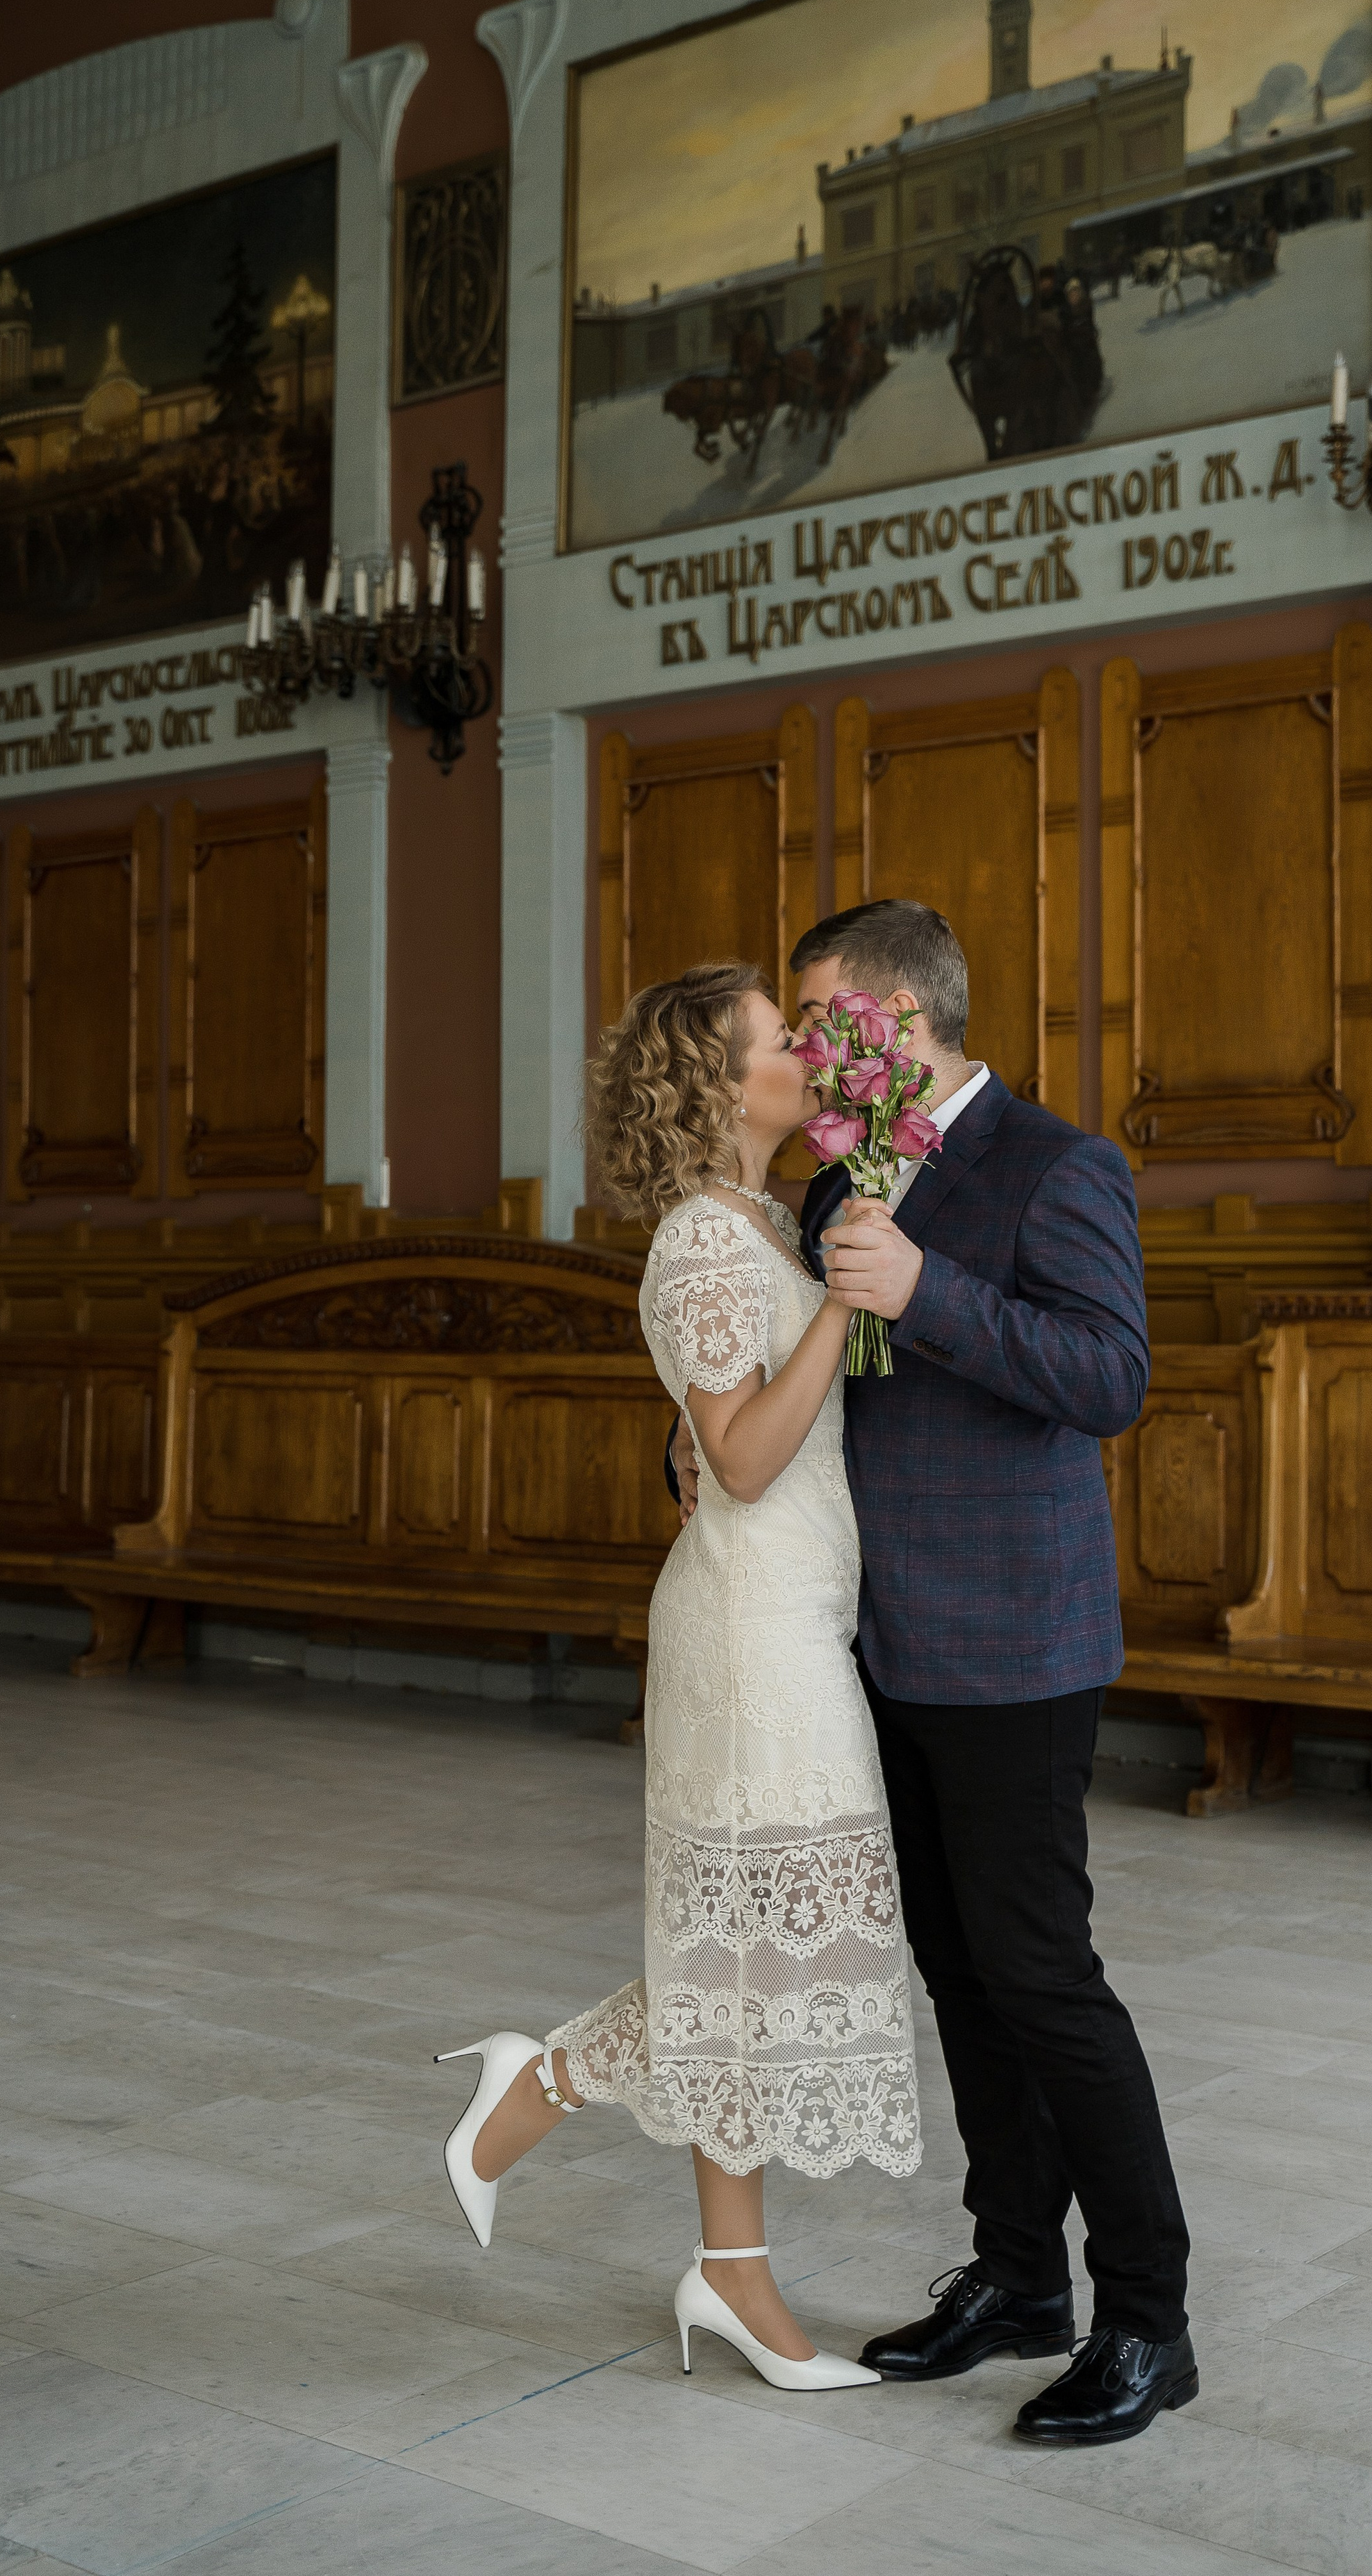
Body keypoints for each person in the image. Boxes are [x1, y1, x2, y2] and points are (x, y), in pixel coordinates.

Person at [672, 900, 1193, 2448]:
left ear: (895, 1020)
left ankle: (1149, 2321)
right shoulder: (836, 1173)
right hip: (873, 1641)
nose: (810, 1054)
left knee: (1041, 1973)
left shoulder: (1054, 1162)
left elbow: (1110, 1380)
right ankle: (1019, 2279)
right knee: (956, 1976)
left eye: (820, 1019)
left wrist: (929, 1291)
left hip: (1016, 1643)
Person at [437, 960, 920, 2394]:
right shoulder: (708, 1245)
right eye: (782, 1042)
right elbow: (744, 1457)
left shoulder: (762, 1220)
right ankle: (539, 2103)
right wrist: (841, 1307)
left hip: (794, 1612)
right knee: (755, 1946)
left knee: (760, 1951)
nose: (806, 1061)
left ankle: (719, 2268)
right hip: (748, 1631)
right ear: (719, 1082)